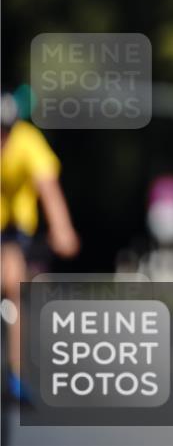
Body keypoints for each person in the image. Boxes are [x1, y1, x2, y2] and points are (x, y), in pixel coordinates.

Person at [0, 91, 80, 399]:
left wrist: (63, 229)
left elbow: (48, 187)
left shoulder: (28, 142)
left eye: (5, 132)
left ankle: (17, 375)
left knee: (14, 286)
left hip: (14, 227)